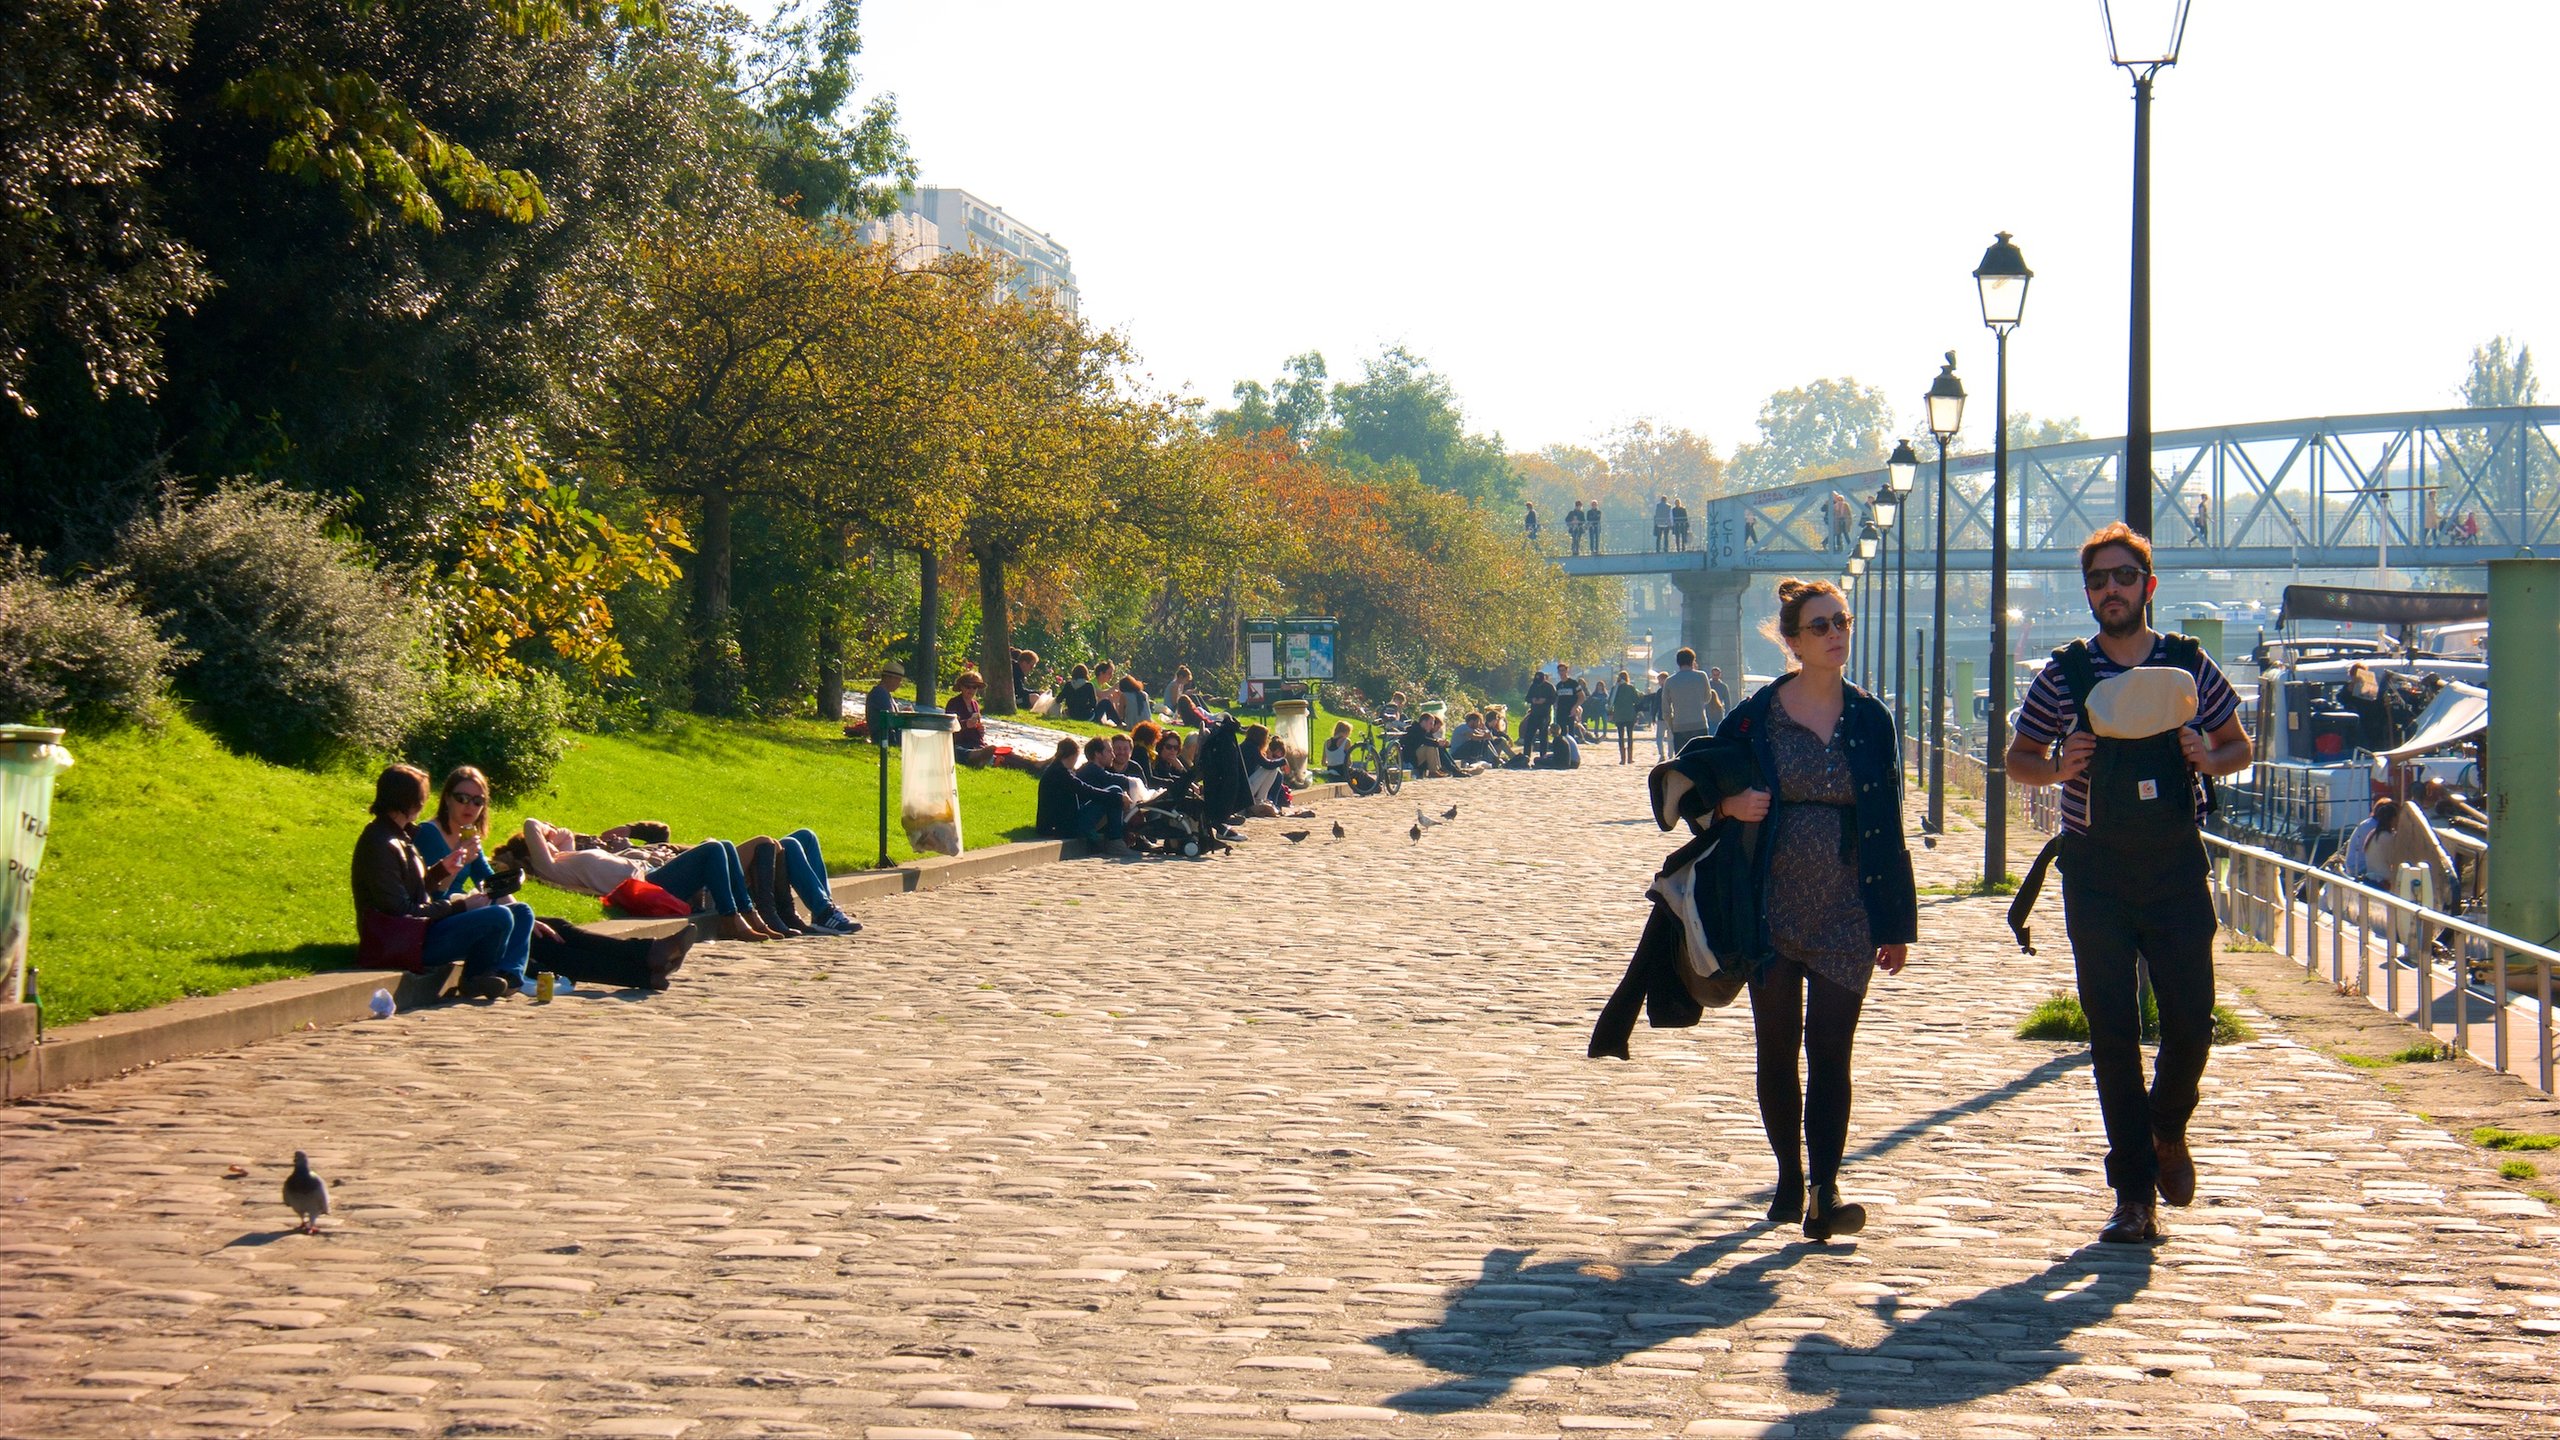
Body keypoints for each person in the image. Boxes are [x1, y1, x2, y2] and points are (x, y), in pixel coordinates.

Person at [2008, 522, 2251, 1246]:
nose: (2108, 590)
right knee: (2112, 1036)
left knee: (2190, 1023)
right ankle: (2133, 1194)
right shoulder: (2064, 676)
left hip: (2175, 867)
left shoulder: (2189, 666)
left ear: (2147, 585)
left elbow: (2239, 745)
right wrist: (2058, 765)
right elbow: (2017, 757)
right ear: (2087, 593)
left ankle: (2166, 1126)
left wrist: (2207, 757)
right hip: (2096, 872)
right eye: (2096, 580)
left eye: (2121, 577)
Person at [1713, 578, 1917, 1241]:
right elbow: (1697, 783)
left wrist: (1894, 924)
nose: (1836, 634)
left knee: (1832, 1050)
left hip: (1847, 912)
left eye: (1842, 622)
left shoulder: (1869, 718)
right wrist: (1727, 806)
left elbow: (1887, 821)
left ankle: (1826, 1189)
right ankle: (1790, 1176)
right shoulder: (1756, 715)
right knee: (1777, 1049)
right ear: (1793, 640)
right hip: (1769, 906)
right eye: (1821, 625)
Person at [414, 767, 696, 989]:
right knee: (549, 946)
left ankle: (646, 966)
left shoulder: (469, 836)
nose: (469, 806)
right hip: (446, 918)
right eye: (462, 798)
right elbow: (426, 892)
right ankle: (648, 959)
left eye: (478, 801)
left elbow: (492, 883)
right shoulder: (430, 833)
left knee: (555, 929)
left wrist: (527, 917)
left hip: (477, 913)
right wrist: (458, 869)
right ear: (447, 799)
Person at [352, 764, 533, 1001]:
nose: (424, 803)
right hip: (403, 940)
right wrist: (461, 906)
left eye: (478, 801)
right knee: (499, 916)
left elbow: (417, 891)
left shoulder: (399, 836)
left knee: (518, 911)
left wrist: (442, 869)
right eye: (422, 797)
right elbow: (402, 910)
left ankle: (501, 976)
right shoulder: (381, 843)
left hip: (418, 931)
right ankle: (475, 978)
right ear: (410, 801)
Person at [515, 819, 786, 944]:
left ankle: (746, 912)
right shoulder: (553, 868)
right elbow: (531, 823)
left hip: (654, 875)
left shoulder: (567, 854)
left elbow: (564, 835)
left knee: (723, 846)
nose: (552, 841)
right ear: (533, 850)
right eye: (545, 843)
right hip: (646, 887)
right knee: (715, 849)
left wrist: (555, 835)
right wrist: (544, 831)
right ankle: (732, 917)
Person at [1036, 737, 1134, 854]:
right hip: (1060, 827)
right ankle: (1115, 839)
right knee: (1114, 792)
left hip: (1062, 822)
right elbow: (1087, 790)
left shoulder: (1057, 770)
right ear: (1073, 756)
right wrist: (1119, 797)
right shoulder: (1060, 774)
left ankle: (1115, 838)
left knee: (1114, 792)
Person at [1662, 647, 1712, 752]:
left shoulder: (1670, 681)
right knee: (1701, 759)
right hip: (1699, 724)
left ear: (1677, 662)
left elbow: (1666, 709)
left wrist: (1672, 725)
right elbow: (1707, 698)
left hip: (1679, 725)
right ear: (1693, 661)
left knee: (1682, 760)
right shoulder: (1702, 676)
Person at [2337, 663, 2394, 752]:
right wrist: (2350, 688)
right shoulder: (2348, 687)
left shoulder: (2370, 686)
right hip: (2356, 720)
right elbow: (2341, 698)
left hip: (2372, 719)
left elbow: (2377, 704)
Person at [863, 661, 905, 742]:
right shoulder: (880, 693)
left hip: (891, 735)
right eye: (898, 680)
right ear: (889, 678)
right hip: (885, 738)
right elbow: (891, 719)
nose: (899, 684)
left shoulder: (885, 694)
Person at [951, 669, 988, 755]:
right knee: (959, 751)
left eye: (974, 687)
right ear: (961, 687)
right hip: (960, 743)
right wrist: (966, 724)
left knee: (1008, 756)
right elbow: (950, 726)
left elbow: (977, 726)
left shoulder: (975, 704)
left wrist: (980, 730)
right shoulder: (954, 703)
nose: (971, 690)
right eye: (968, 686)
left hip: (975, 743)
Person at [1610, 670, 1641, 764]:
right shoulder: (1630, 688)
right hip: (1629, 715)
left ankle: (1622, 758)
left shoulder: (1615, 688)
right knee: (1630, 736)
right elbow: (1637, 700)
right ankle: (1630, 758)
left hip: (1619, 715)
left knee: (1620, 736)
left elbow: (1611, 701)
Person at [1552, 663, 1587, 741]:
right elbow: (1556, 699)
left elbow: (1582, 697)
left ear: (1567, 671)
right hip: (1561, 711)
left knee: (1570, 733)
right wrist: (1555, 706)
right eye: (1560, 671)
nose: (1561, 673)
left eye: (1563, 670)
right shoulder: (1558, 685)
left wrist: (1575, 707)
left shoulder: (1573, 683)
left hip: (1571, 711)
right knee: (1561, 732)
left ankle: (1571, 749)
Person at [1522, 668, 1555, 748]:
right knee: (1528, 735)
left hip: (1544, 714)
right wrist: (1532, 700)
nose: (1538, 684)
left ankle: (1543, 755)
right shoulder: (1533, 686)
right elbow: (1527, 698)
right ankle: (1526, 755)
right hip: (1534, 713)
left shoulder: (1550, 687)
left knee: (1543, 735)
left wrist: (1544, 701)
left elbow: (1554, 699)